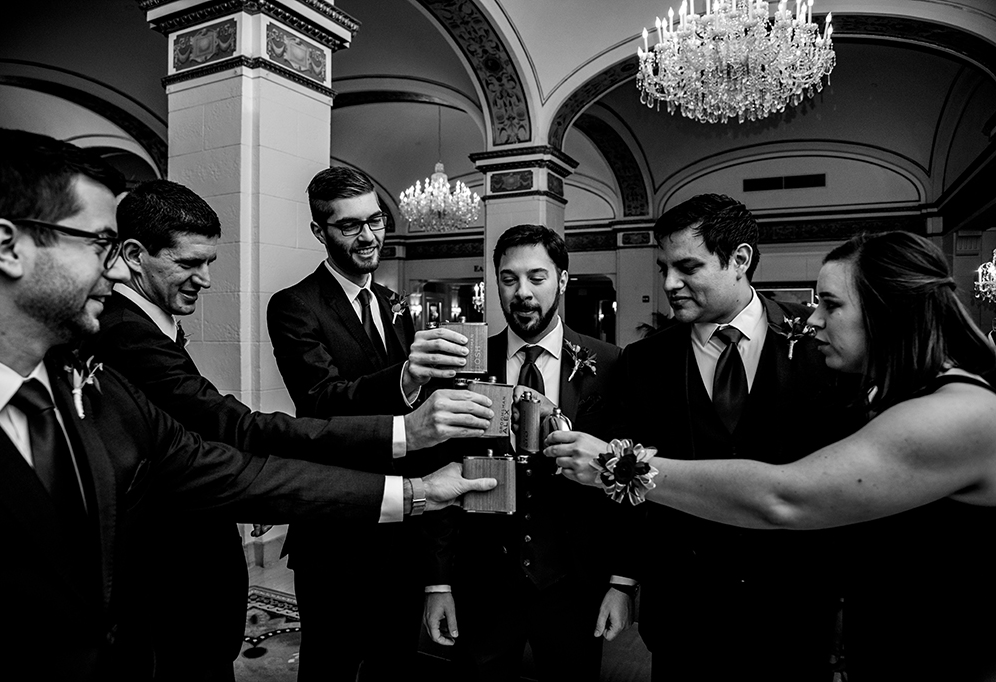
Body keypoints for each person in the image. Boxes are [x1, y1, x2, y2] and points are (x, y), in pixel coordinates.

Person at [0, 128, 495, 681]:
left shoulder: (87, 379)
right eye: (96, 245)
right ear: (8, 247)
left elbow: (220, 468)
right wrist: (405, 435)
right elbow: (244, 428)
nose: (113, 272)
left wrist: (415, 491)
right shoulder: (124, 341)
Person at [549, 230, 996, 681]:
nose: (814, 320)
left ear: (890, 310)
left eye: (832, 304)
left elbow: (782, 497)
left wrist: (619, 466)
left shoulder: (955, 414)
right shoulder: (897, 397)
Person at [552, 194, 857, 681]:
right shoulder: (643, 362)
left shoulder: (821, 339)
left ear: (739, 260)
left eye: (687, 267)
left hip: (796, 605)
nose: (670, 283)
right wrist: (624, 580)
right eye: (664, 268)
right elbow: (627, 497)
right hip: (684, 610)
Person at [266, 167, 474, 680]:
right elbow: (320, 401)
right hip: (337, 525)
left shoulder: (393, 304)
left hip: (405, 522)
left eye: (376, 221)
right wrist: (404, 377)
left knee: (394, 663)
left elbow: (416, 410)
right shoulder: (295, 306)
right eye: (350, 226)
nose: (369, 236)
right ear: (320, 232)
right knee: (330, 667)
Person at [423, 224, 635, 681]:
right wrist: (438, 582)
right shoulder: (466, 366)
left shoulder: (612, 364)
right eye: (508, 279)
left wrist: (622, 581)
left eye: (536, 278)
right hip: (483, 584)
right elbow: (440, 473)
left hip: (574, 586)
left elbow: (624, 484)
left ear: (561, 279)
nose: (522, 293)